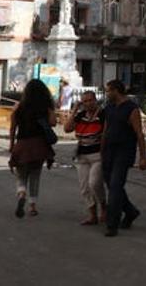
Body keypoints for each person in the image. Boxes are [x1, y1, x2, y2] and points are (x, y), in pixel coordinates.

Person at [101, 79, 146, 237]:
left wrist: (143, 157)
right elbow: (105, 131)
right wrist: (102, 151)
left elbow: (139, 134)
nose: (107, 93)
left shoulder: (131, 109)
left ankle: (112, 223)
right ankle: (130, 211)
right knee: (113, 185)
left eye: (108, 90)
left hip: (124, 151)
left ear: (116, 90)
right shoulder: (109, 108)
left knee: (115, 185)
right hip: (109, 151)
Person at [9, 79, 56, 218]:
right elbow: (53, 123)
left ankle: (22, 192)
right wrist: (50, 110)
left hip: (22, 145)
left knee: (20, 174)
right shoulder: (45, 108)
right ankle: (32, 206)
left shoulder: (19, 107)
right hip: (40, 145)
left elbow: (13, 128)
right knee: (35, 175)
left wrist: (11, 144)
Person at [63, 90, 106, 225]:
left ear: (95, 100)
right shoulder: (81, 116)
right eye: (84, 101)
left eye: (90, 100)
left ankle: (103, 205)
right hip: (82, 155)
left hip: (97, 155)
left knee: (94, 183)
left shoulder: (102, 115)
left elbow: (105, 134)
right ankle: (92, 214)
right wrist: (75, 109)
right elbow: (67, 128)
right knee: (84, 187)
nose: (87, 104)